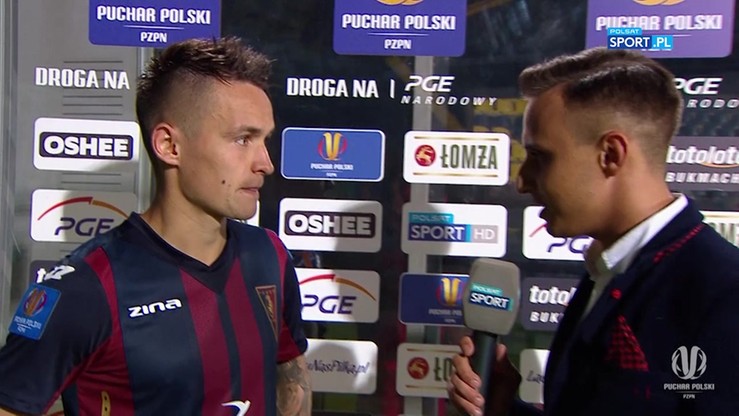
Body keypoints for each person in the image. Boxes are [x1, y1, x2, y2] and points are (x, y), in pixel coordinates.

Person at [0, 37, 311, 416]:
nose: (265, 163)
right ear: (169, 145)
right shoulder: (86, 287)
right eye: (242, 139)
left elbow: (291, 376)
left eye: (264, 140)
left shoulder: (269, 255)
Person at [449, 47, 739, 416]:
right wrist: (507, 410)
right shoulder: (608, 269)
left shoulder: (724, 295)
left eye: (540, 157)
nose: (522, 182)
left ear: (611, 155)